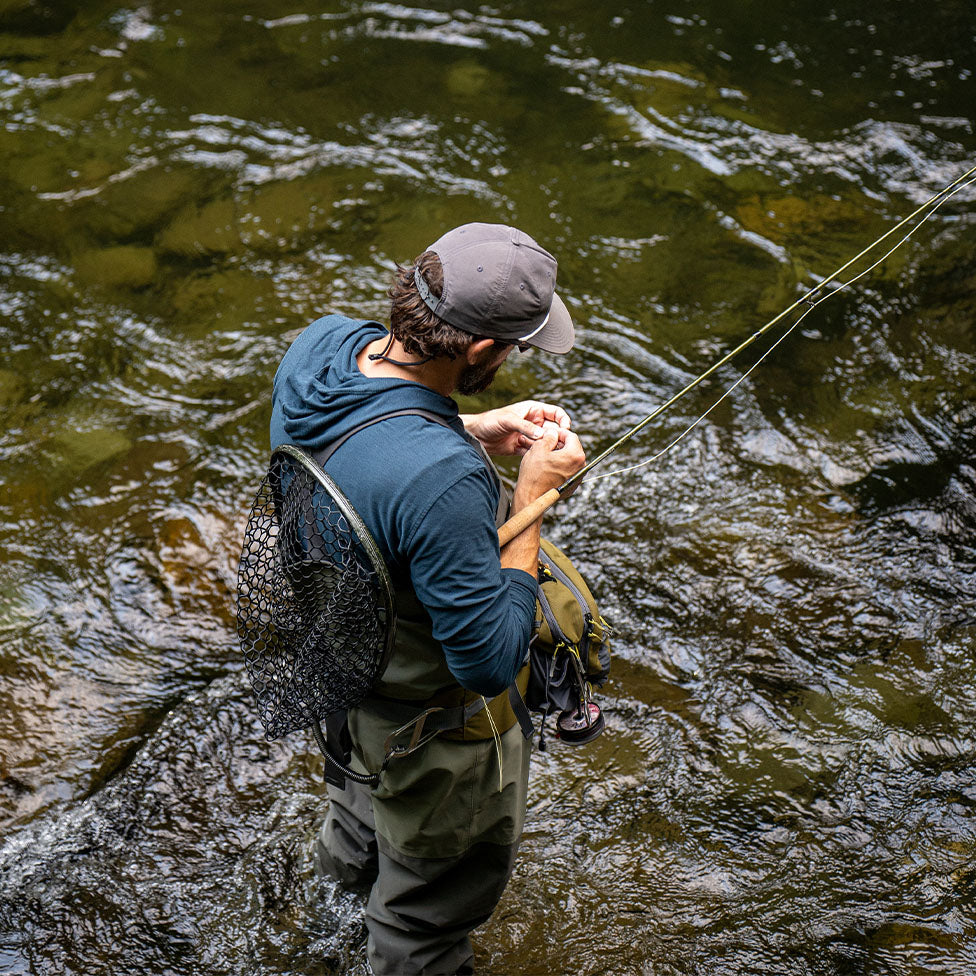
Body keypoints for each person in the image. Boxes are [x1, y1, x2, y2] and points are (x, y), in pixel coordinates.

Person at [268, 222, 585, 974]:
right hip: (432, 740)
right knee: (422, 929)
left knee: (352, 842)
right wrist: (534, 498)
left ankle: (322, 944)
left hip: (343, 685)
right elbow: (486, 660)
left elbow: (372, 444)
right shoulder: (444, 481)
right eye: (513, 347)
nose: (511, 360)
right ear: (481, 351)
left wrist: (473, 427)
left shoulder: (321, 349)